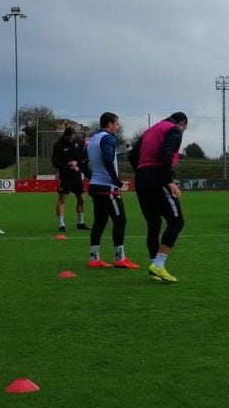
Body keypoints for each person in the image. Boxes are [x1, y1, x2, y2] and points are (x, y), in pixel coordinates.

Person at [131, 112, 188, 283]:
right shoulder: (174, 130)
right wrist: (168, 180)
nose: (184, 130)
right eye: (185, 127)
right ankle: (158, 265)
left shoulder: (150, 130)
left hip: (141, 179)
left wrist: (143, 172)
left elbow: (133, 155)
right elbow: (166, 152)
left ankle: (155, 267)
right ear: (182, 123)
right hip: (157, 178)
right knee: (176, 222)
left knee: (153, 223)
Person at [86, 112, 137, 269]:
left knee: (100, 222)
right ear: (109, 124)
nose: (117, 127)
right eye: (116, 124)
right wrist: (117, 182)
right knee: (120, 220)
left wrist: (92, 177)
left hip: (95, 186)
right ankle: (120, 258)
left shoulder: (93, 139)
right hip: (108, 188)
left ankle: (94, 258)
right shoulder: (108, 139)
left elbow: (82, 161)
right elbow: (108, 159)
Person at [52, 126, 90, 233]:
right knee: (62, 199)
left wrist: (78, 164)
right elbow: (55, 162)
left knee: (82, 199)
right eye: (70, 136)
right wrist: (67, 165)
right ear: (66, 135)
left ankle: (81, 223)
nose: (72, 138)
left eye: (73, 136)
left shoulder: (77, 143)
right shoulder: (58, 145)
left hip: (76, 176)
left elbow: (82, 157)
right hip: (65, 176)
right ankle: (61, 225)